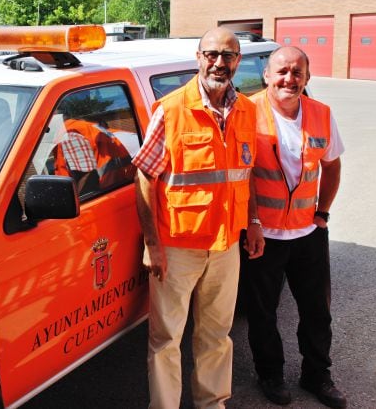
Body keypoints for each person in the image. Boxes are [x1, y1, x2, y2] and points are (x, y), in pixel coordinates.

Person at [133, 26, 265, 409]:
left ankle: (212, 404)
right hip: (177, 247)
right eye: (212, 54)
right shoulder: (171, 110)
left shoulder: (246, 110)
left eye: (228, 56)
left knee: (217, 335)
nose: (219, 63)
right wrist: (152, 244)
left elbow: (246, 172)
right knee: (166, 340)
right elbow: (144, 176)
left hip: (226, 247)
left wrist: (254, 222)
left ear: (238, 61)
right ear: (198, 57)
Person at [240, 46, 347, 408]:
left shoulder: (321, 114)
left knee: (317, 312)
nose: (290, 79)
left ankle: (317, 375)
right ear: (267, 75)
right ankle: (270, 374)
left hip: (308, 234)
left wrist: (323, 213)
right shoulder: (245, 112)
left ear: (307, 78)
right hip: (263, 234)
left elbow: (331, 166)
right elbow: (242, 177)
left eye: (297, 72)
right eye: (282, 71)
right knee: (262, 312)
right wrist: (252, 222)